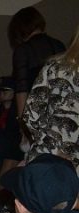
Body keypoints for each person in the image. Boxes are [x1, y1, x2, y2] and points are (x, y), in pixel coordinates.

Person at [22, 25, 79, 162]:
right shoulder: (56, 68)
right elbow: (31, 115)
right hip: (54, 161)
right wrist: (54, 150)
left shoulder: (55, 67)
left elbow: (31, 115)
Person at [8, 5, 66, 121]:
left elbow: (22, 89)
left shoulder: (23, 51)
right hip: (59, 110)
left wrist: (22, 122)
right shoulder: (59, 45)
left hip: (35, 111)